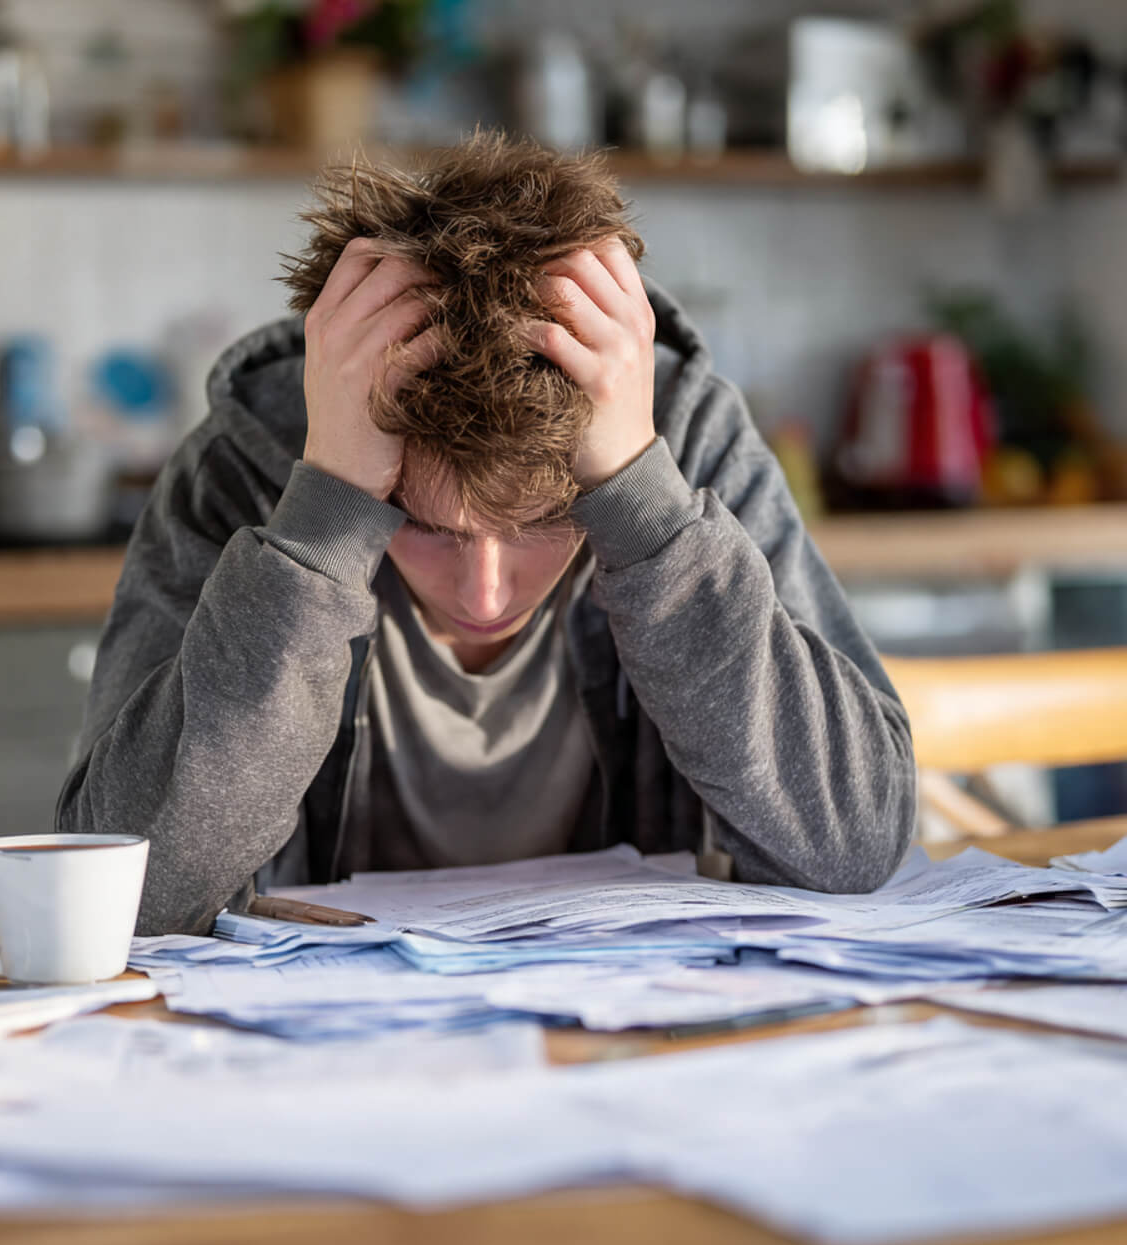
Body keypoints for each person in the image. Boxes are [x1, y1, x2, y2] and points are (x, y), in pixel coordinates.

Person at [57, 132, 917, 936]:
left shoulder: (681, 442)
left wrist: (643, 509)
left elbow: (854, 840)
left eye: (548, 525)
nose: (485, 597)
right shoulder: (249, 464)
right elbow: (123, 895)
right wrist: (323, 521)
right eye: (426, 530)